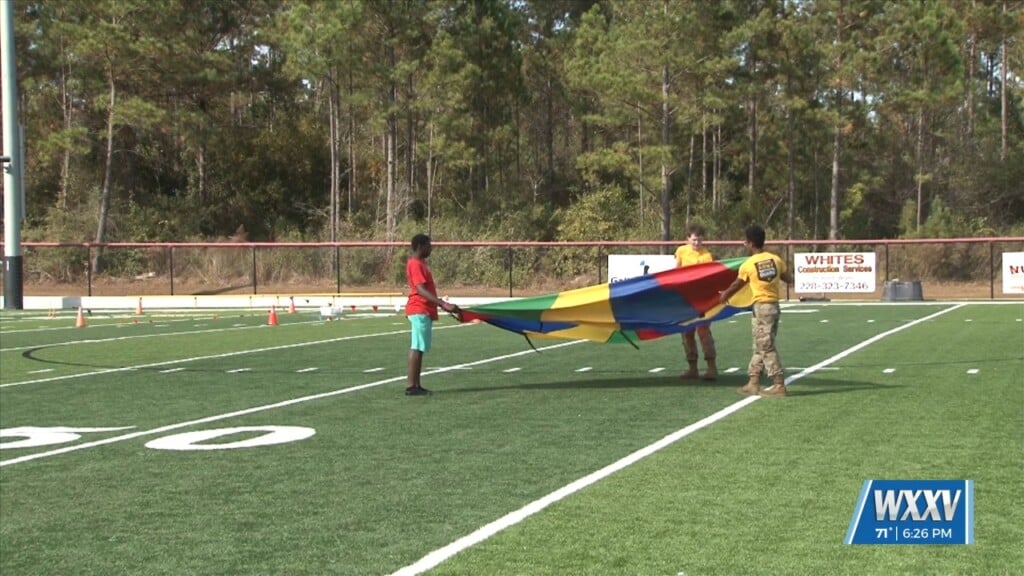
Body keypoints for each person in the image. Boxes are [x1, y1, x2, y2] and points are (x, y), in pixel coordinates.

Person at [719, 224, 793, 397]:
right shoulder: (775, 259)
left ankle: (779, 384)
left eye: (745, 242)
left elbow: (738, 283)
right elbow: (788, 278)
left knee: (766, 346)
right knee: (759, 345)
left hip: (761, 307)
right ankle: (753, 381)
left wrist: (725, 295)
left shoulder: (749, 264)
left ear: (751, 243)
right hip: (773, 306)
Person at [405, 233, 459, 396]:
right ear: (421, 246)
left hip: (424, 309)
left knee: (420, 347)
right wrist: (443, 303)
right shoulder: (416, 264)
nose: (431, 248)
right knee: (417, 347)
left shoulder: (421, 263)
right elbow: (420, 289)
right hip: (419, 308)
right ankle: (411, 386)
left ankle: (416, 384)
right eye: (429, 245)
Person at [674, 224, 717, 381]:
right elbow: (676, 271)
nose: (696, 243)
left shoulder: (706, 256)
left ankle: (712, 367)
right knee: (687, 332)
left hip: (701, 299)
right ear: (688, 239)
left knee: (703, 332)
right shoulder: (681, 251)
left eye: (699, 240)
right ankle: (692, 368)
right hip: (685, 298)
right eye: (694, 240)